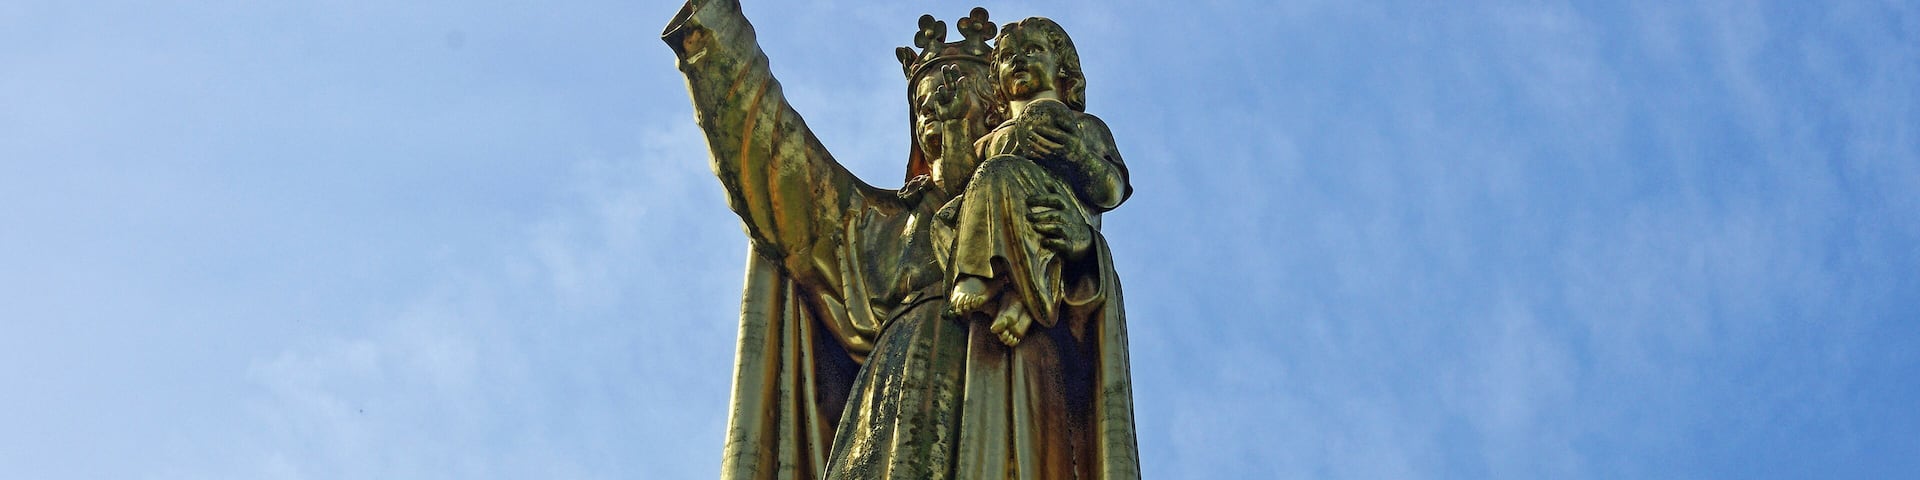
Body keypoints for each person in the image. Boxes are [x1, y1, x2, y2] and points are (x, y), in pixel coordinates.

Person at [662, 2, 1141, 478]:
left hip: (1016, 376)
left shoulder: (1039, 164)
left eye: (954, 94)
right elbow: (777, 164)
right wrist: (717, 39)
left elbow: (1095, 210)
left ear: (996, 107)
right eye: (924, 105)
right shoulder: (878, 223)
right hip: (898, 384)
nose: (935, 111)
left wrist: (1083, 249)